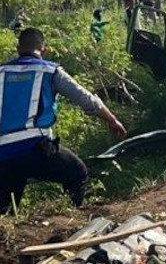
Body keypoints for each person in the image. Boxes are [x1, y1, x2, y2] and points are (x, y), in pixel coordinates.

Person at [0, 28, 127, 214]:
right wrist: (112, 120)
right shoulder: (50, 71)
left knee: (6, 209)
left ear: (18, 49)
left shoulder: (2, 72)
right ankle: (67, 222)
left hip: (3, 154)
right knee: (77, 173)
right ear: (44, 50)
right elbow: (85, 98)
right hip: (36, 148)